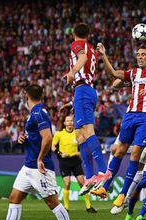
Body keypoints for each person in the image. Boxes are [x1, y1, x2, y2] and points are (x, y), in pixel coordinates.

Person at [0, 85, 80, 220]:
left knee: (52, 202)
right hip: (27, 167)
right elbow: (37, 136)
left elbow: (48, 137)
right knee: (14, 198)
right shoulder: (35, 113)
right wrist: (24, 137)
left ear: (25, 95)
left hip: (39, 168)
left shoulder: (39, 113)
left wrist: (40, 159)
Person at [90, 43, 146, 208]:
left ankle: (123, 194)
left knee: (135, 152)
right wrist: (103, 54)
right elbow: (113, 74)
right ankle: (104, 187)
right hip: (130, 115)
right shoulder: (133, 72)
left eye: (143, 54)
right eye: (138, 54)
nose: (140, 57)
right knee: (118, 150)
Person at [64, 23, 111, 194]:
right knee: (79, 135)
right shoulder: (92, 49)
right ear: (88, 35)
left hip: (83, 90)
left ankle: (103, 171)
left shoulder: (77, 45)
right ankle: (90, 176)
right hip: (82, 92)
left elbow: (81, 60)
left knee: (88, 132)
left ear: (74, 33)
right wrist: (73, 102)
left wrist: (71, 71)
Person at [52, 115, 97, 213]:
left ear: (73, 123)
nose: (69, 123)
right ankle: (66, 207)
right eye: (67, 121)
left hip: (75, 160)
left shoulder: (77, 134)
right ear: (64, 123)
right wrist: (61, 153)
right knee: (67, 183)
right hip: (64, 161)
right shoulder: (59, 134)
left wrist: (80, 152)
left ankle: (89, 206)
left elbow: (83, 146)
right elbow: (53, 147)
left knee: (82, 183)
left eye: (71, 121)